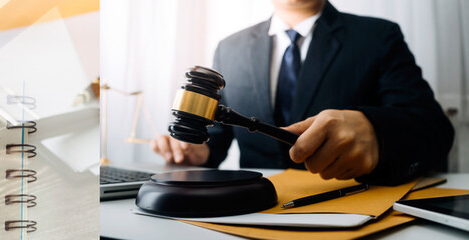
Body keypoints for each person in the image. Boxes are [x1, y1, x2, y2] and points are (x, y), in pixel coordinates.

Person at [150, 0, 454, 185]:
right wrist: (196, 153)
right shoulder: (229, 48)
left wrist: (377, 132)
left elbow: (435, 130)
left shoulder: (378, 36)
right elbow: (215, 139)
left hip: (346, 204)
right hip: (249, 209)